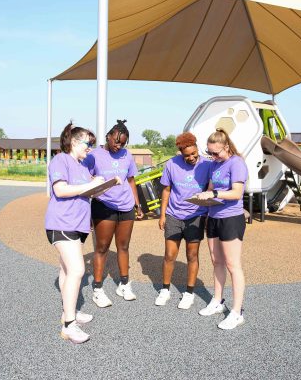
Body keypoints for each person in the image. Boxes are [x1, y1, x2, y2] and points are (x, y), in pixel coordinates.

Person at [45, 123, 104, 344]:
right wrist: (89, 186)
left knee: (66, 269)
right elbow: (60, 189)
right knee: (78, 270)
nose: (90, 148)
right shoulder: (61, 160)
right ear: (73, 141)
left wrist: (98, 186)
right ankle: (69, 325)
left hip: (76, 224)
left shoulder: (81, 166)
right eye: (88, 143)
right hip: (62, 222)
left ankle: (67, 312)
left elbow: (82, 192)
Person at [85, 120, 145, 307]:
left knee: (124, 246)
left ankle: (124, 284)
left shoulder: (127, 155)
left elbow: (132, 180)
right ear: (108, 136)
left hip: (126, 206)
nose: (119, 145)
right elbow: (85, 179)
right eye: (116, 141)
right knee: (102, 247)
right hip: (104, 205)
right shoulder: (94, 155)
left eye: (123, 143)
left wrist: (137, 204)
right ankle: (98, 289)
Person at [195, 128, 248, 330]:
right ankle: (217, 301)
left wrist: (214, 193)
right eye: (210, 153)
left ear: (226, 147)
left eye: (216, 153)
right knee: (216, 261)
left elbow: (236, 193)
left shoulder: (237, 163)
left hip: (231, 218)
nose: (213, 157)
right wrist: (203, 195)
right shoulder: (215, 164)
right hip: (214, 216)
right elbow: (210, 188)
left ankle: (237, 311)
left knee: (233, 265)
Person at [156, 132, 212, 309]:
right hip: (174, 215)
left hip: (196, 216)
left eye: (194, 153)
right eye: (187, 155)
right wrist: (163, 214)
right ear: (180, 152)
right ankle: (165, 290)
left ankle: (189, 293)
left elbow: (212, 190)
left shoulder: (207, 165)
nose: (192, 157)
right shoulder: (171, 164)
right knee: (169, 255)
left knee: (192, 255)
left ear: (197, 148)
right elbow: (166, 190)